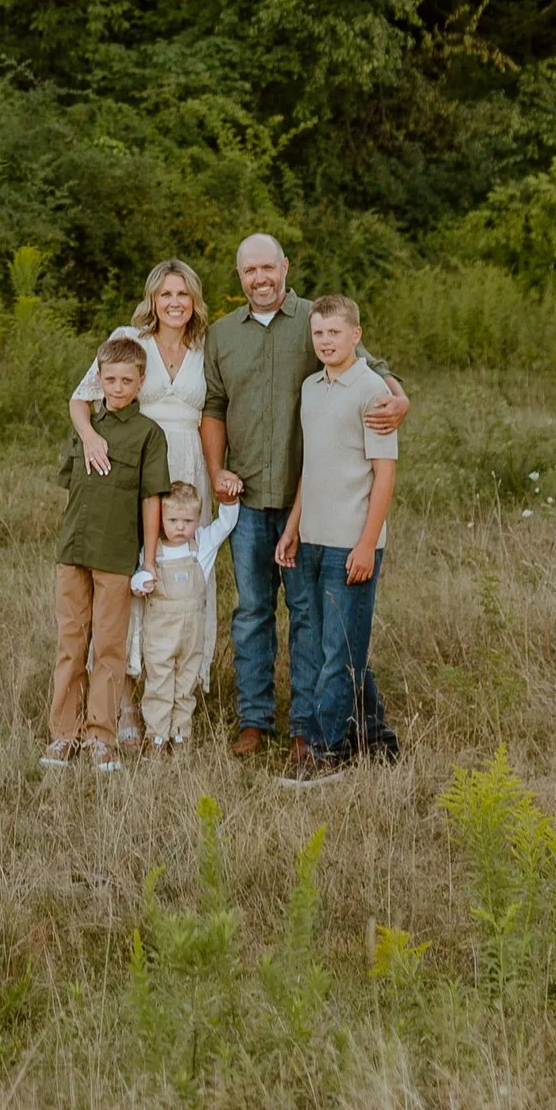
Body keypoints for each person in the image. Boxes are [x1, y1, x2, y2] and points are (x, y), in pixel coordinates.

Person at [200, 232, 408, 765]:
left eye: (269, 267)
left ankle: (309, 725)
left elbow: (373, 366)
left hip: (309, 506)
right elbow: (215, 406)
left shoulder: (315, 320)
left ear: (285, 267)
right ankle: (254, 719)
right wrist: (216, 469)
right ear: (240, 276)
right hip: (247, 499)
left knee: (310, 616)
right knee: (251, 611)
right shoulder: (223, 335)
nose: (261, 279)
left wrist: (399, 396)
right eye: (250, 271)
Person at [275, 294, 398, 779]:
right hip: (311, 537)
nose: (326, 341)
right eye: (319, 333)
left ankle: (327, 752)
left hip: (351, 540)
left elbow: (384, 477)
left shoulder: (373, 393)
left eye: (335, 333)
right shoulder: (310, 387)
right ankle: (376, 738)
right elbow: (312, 466)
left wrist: (367, 543)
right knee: (333, 646)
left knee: (341, 649)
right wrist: (292, 527)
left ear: (356, 336)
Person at [45, 331, 167, 771]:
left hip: (116, 555)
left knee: (109, 650)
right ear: (98, 380)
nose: (117, 388)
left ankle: (101, 735)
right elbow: (72, 487)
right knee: (70, 643)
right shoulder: (86, 430)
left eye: (126, 381)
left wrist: (148, 561)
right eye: (110, 380)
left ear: (140, 382)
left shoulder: (148, 435)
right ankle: (63, 734)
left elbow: (151, 498)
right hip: (74, 550)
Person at [69, 259, 213, 506]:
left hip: (189, 463)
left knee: (184, 540)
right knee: (137, 541)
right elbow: (80, 399)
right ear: (153, 300)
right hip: (137, 457)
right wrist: (90, 437)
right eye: (166, 294)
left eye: (183, 294)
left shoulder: (207, 347)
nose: (175, 303)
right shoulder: (130, 339)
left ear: (194, 300)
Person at [124, 477, 240, 752]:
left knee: (186, 683)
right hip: (160, 637)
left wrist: (230, 499)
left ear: (197, 520)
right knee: (159, 682)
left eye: (187, 522)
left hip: (191, 637)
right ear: (161, 518)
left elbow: (226, 524)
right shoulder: (152, 551)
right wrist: (141, 584)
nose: (179, 527)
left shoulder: (201, 546)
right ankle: (156, 734)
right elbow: (136, 579)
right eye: (173, 520)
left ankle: (180, 733)